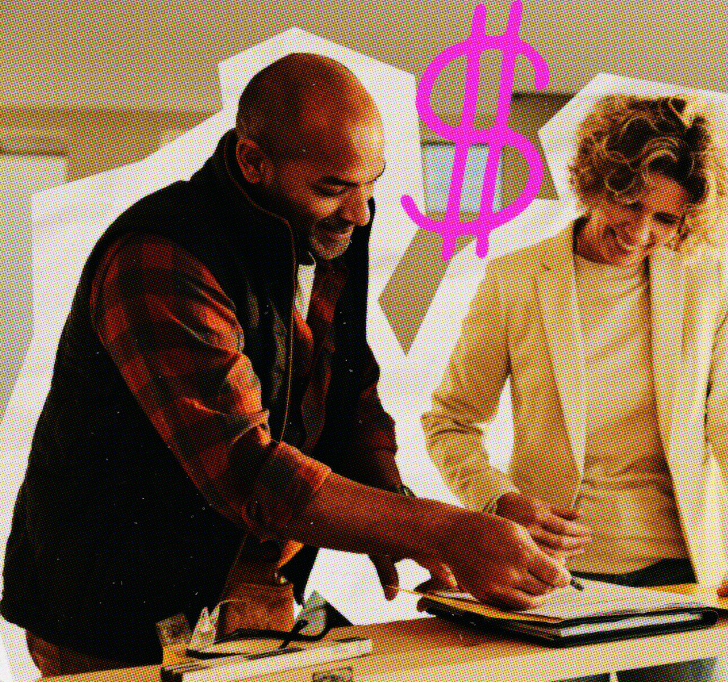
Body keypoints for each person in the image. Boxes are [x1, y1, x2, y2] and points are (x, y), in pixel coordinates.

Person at [0, 53, 569, 677]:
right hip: (107, 612)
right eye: (334, 188)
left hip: (238, 604)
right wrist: (438, 529)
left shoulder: (327, 227)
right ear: (252, 162)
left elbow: (351, 389)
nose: (360, 212)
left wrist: (393, 505)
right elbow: (247, 468)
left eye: (370, 184)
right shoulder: (160, 256)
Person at [423, 94, 728, 681]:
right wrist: (499, 501)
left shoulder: (712, 280)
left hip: (679, 573)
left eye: (666, 219)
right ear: (599, 181)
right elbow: (450, 421)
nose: (640, 231)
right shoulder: (515, 279)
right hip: (552, 577)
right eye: (630, 203)